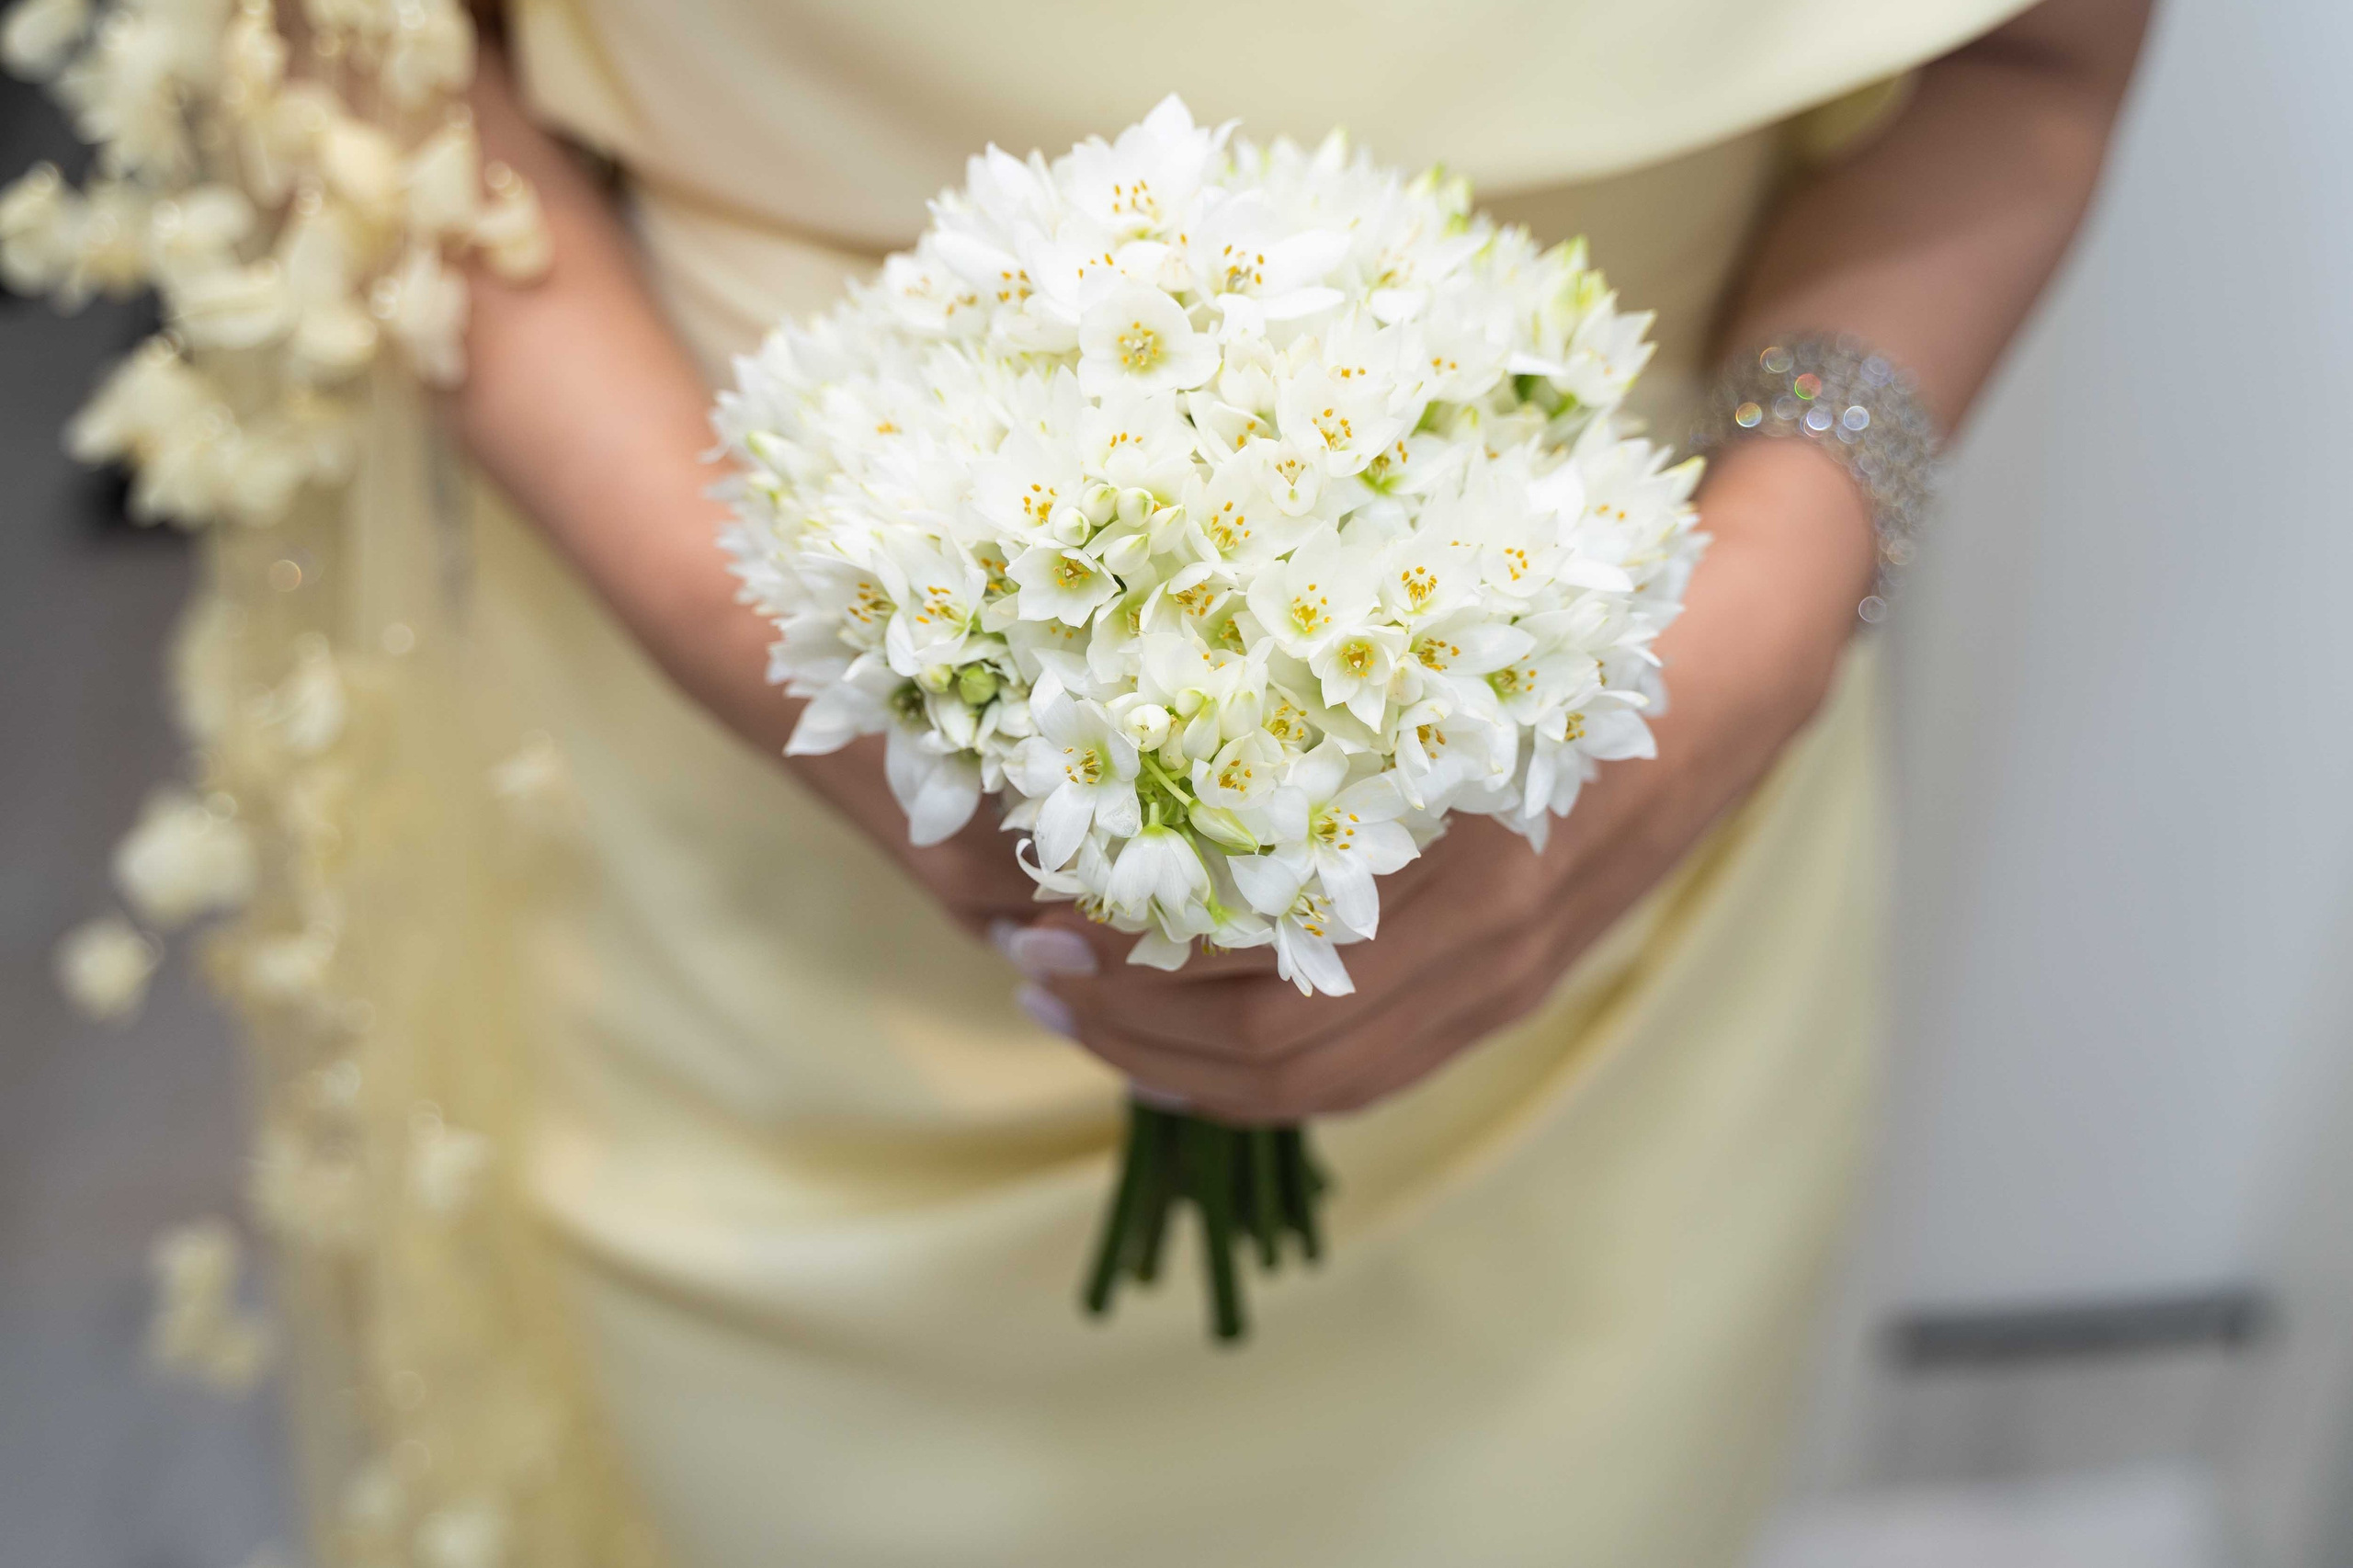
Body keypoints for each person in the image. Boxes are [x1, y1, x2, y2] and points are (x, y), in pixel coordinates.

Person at [12, 0, 2153, 1561]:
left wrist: (1753, 631)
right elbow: (329, 52)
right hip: (738, 919)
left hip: (1601, 877)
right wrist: (788, 651)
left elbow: (2032, 53)